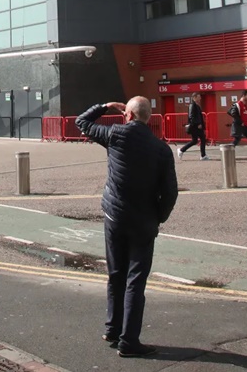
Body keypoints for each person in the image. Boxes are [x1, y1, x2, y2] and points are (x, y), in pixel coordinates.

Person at [76, 96, 178, 358]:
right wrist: (159, 217)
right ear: (149, 118)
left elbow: (82, 122)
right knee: (135, 280)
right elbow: (170, 192)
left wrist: (104, 106)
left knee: (116, 274)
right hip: (144, 221)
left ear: (129, 115)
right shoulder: (161, 149)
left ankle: (112, 329)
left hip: (115, 218)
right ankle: (129, 340)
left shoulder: (114, 135)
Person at [177, 92, 209, 161]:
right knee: (196, 140)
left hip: (198, 126)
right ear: (194, 97)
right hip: (195, 126)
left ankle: (202, 155)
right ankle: (181, 150)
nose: (200, 98)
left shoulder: (197, 105)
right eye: (198, 97)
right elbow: (191, 116)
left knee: (200, 139)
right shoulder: (192, 105)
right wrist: (198, 124)